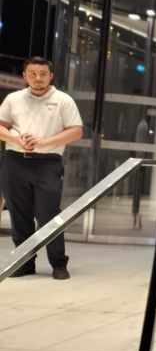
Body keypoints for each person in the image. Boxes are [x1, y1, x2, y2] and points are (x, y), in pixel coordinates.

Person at [0, 57, 83, 280]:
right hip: (14, 161)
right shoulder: (13, 99)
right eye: (33, 74)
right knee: (19, 214)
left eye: (43, 74)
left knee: (48, 214)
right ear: (24, 76)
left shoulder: (63, 100)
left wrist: (44, 142)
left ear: (51, 76)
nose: (38, 78)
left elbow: (76, 130)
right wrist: (16, 139)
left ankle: (58, 263)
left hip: (48, 163)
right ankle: (25, 263)